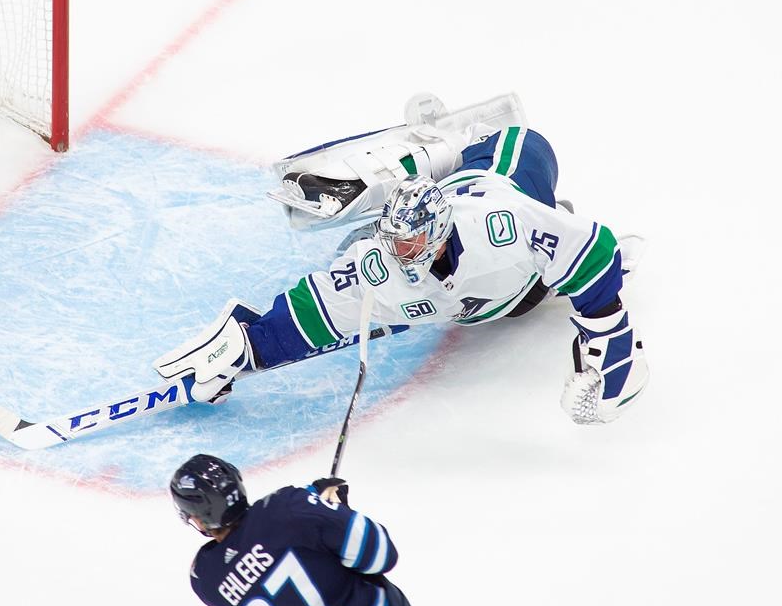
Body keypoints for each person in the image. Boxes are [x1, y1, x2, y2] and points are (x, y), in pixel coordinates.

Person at [153, 105, 649, 425]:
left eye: (410, 243)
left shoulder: (501, 222)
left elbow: (598, 251)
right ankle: (428, 168)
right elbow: (315, 310)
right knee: (547, 252)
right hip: (508, 301)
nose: (397, 253)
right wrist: (248, 348)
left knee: (518, 141)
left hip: (503, 203)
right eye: (394, 241)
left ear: (437, 235)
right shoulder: (379, 262)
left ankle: (443, 150)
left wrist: (605, 341)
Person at [171, 453, 421, 606]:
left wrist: (313, 506)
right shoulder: (290, 507)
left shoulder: (205, 578)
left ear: (199, 519)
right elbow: (381, 555)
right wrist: (335, 513)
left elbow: (262, 544)